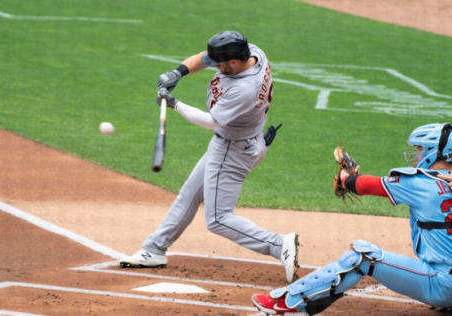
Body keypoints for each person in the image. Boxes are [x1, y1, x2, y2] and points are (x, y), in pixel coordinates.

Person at [119, 31, 299, 282]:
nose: (215, 67)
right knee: (190, 194)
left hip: (233, 149)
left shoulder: (244, 89)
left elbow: (211, 122)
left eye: (221, 64)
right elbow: (203, 59)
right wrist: (178, 72)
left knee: (217, 218)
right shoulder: (253, 53)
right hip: (237, 142)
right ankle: (154, 249)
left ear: (234, 62)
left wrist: (174, 104)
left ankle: (279, 245)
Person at [252, 123, 452, 315]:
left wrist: (346, 177)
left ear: (436, 152)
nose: (416, 155)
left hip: (440, 287)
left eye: (420, 148)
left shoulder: (420, 182)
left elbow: (362, 185)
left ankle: (288, 301)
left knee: (363, 256)